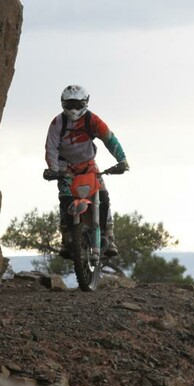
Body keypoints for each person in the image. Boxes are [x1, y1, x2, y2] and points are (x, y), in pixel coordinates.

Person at [44, 84, 129, 258]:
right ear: (63, 104)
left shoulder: (93, 120)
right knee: (65, 199)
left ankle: (108, 236)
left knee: (103, 196)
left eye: (77, 104)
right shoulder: (57, 123)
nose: (74, 109)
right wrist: (53, 170)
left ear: (85, 103)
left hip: (88, 165)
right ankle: (66, 238)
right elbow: (50, 148)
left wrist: (122, 160)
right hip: (65, 167)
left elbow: (110, 139)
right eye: (70, 105)